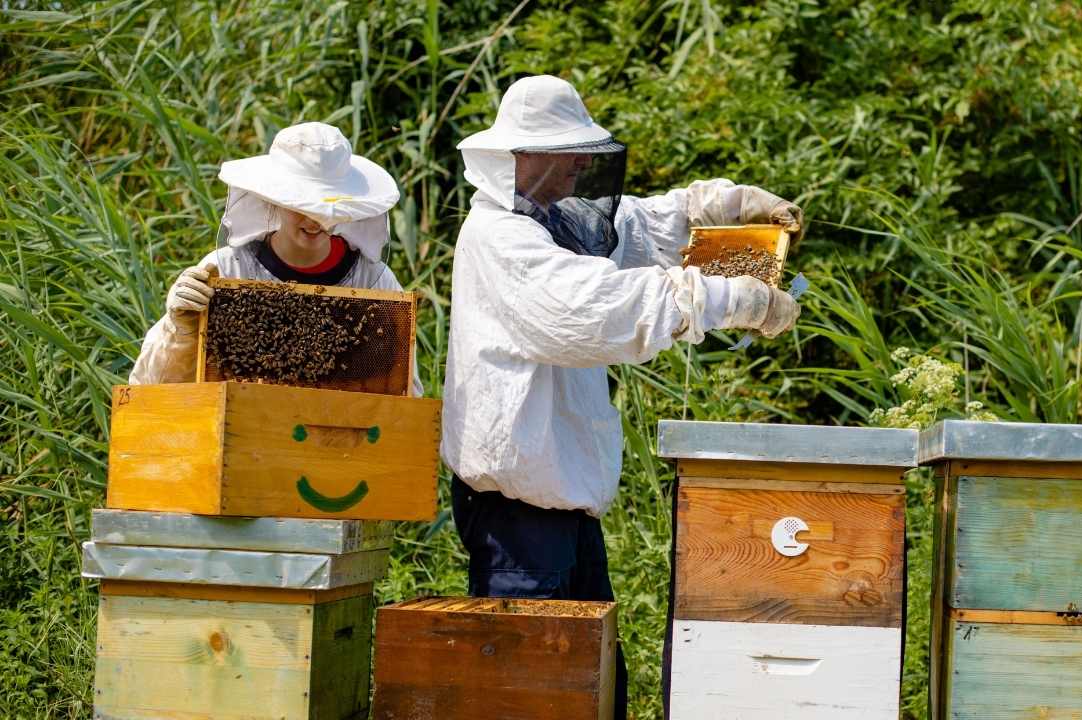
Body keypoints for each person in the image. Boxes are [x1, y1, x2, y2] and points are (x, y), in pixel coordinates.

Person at [442, 75, 803, 717]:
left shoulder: (557, 220)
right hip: (517, 516)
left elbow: (638, 226)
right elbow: (598, 306)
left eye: (585, 149)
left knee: (592, 690)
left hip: (564, 506)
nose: (583, 163)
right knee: (535, 694)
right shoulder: (503, 240)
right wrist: (728, 296)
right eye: (568, 149)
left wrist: (714, 206)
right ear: (520, 157)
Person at [129, 122, 421, 396]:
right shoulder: (227, 270)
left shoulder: (374, 281)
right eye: (301, 204)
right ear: (274, 200)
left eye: (327, 207)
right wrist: (181, 330)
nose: (314, 219)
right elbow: (150, 392)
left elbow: (405, 398)